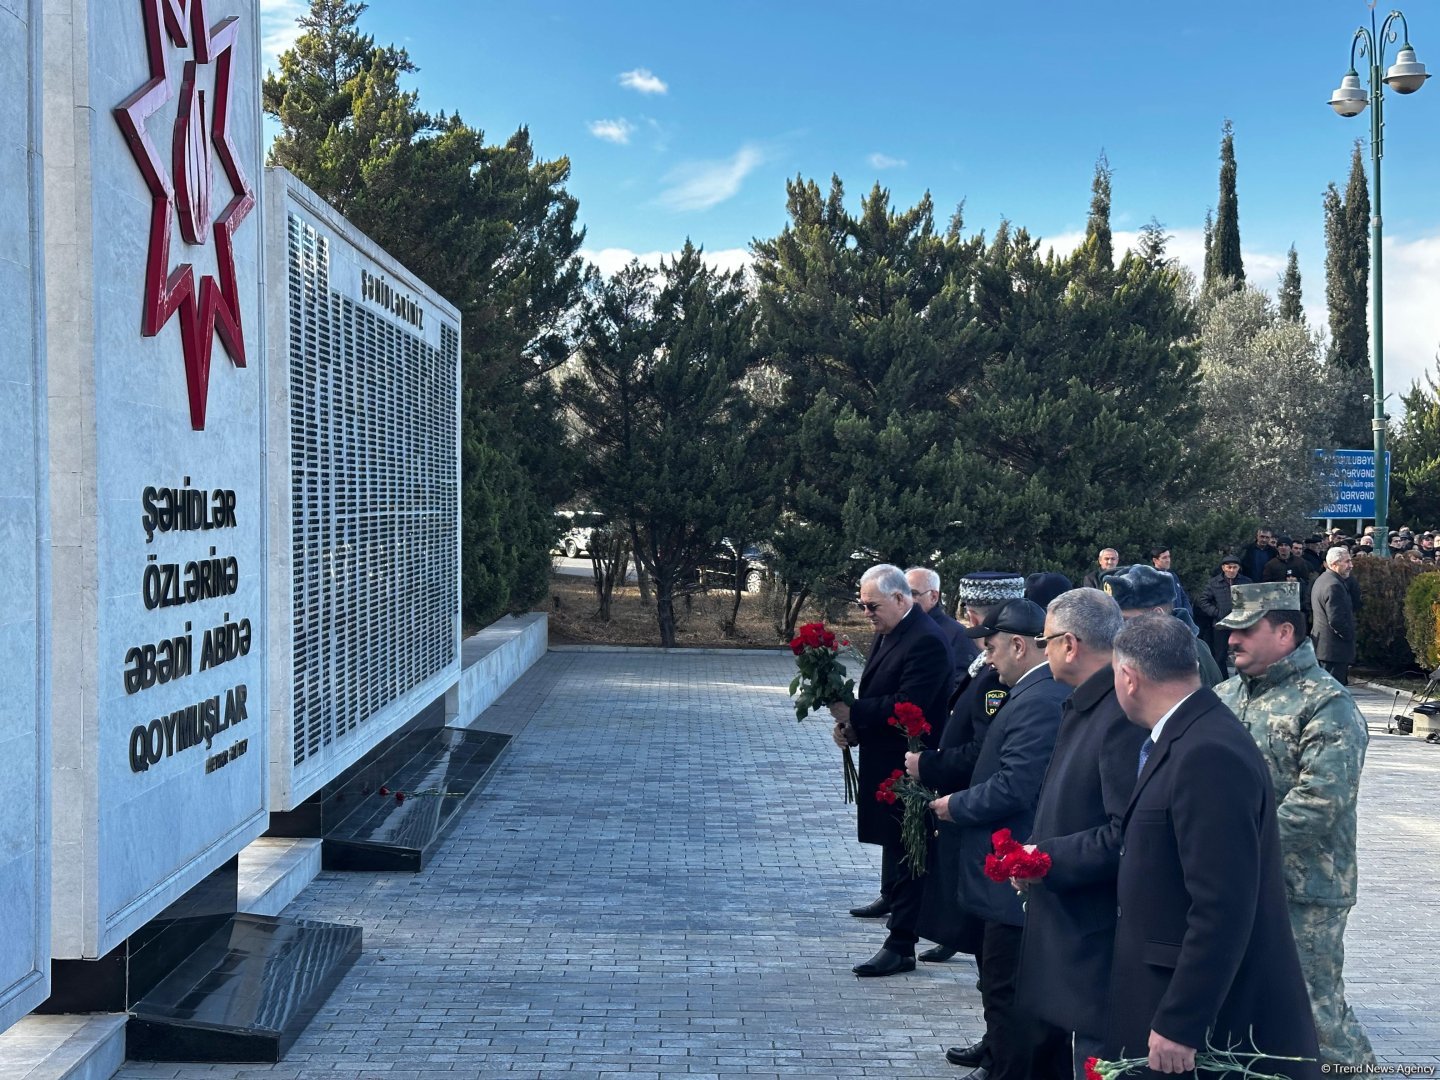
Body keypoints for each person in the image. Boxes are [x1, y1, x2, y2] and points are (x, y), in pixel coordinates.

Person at [1107, 615, 1320, 1077]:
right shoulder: (1189, 732)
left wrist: (1182, 1021)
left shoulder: (1206, 752)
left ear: (1128, 677)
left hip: (1208, 1024)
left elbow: (1222, 904)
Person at [1214, 582, 1376, 1066]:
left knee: (1313, 1013)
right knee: (1242, 1009)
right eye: (1230, 630)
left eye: (1245, 629)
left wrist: (1239, 850)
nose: (1232, 640)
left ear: (1285, 632)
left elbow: (1321, 799)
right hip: (1233, 882)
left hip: (1303, 889)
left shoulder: (1327, 703)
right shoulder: (1224, 696)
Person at [927, 598, 1068, 1080]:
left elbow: (1016, 785)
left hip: (1016, 879)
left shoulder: (1040, 699)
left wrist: (955, 806)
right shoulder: (1032, 692)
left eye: (991, 649)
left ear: (1019, 645)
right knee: (1003, 993)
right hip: (1009, 879)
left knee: (1011, 1002)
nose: (988, 660)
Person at [1016, 588, 1147, 1079]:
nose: (1041, 649)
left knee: (1097, 1057)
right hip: (1077, 930)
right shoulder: (1089, 704)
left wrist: (1041, 857)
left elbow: (1124, 834)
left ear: (1069, 644)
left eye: (1044, 640)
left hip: (1100, 939)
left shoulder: (1119, 716)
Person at [909, 572, 1025, 1071]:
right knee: (986, 957)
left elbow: (986, 749)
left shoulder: (1006, 682)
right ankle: (994, 1039)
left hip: (982, 815)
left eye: (975, 611)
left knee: (995, 959)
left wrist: (933, 769)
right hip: (972, 811)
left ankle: (1001, 1047)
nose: (970, 619)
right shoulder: (987, 664)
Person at [829, 564, 951, 977]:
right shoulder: (890, 631)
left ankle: (902, 942)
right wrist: (853, 728)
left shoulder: (926, 641)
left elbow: (909, 704)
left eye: (872, 606)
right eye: (862, 606)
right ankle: (901, 939)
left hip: (910, 766)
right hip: (884, 760)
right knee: (898, 853)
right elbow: (880, 694)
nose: (866, 613)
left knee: (910, 857)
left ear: (902, 599)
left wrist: (855, 711)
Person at [1101, 563, 1224, 687]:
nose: (1118, 628)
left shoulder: (1185, 657)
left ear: (1157, 616)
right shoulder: (1155, 651)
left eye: (1125, 620)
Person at [907, 566, 978, 691]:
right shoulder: (896, 628)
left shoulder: (956, 634)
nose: (905, 600)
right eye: (902, 594)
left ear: (933, 597)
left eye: (912, 594)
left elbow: (961, 685)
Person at [1195, 555, 1251, 676]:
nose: (1232, 570)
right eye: (1229, 567)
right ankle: (1222, 680)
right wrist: (1217, 613)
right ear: (1223, 568)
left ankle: (1241, 679)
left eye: (1234, 567)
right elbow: (1203, 601)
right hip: (1221, 624)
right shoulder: (1213, 583)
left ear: (1238, 568)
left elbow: (1253, 601)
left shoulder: (1246, 582)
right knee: (1220, 656)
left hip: (1241, 624)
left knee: (1243, 653)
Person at [1311, 547, 1357, 686]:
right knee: (1333, 695)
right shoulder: (1333, 585)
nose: (1351, 566)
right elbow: (1336, 620)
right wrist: (1349, 637)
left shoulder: (1323, 579)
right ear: (1334, 564)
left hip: (1326, 649)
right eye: (1347, 562)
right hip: (1333, 650)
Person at [1149, 546, 1193, 616]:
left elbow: (1183, 596)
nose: (1168, 560)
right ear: (1155, 560)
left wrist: (1188, 613)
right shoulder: (1150, 578)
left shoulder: (1173, 575)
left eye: (1168, 557)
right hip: (1162, 621)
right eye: (1164, 558)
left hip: (1179, 620)